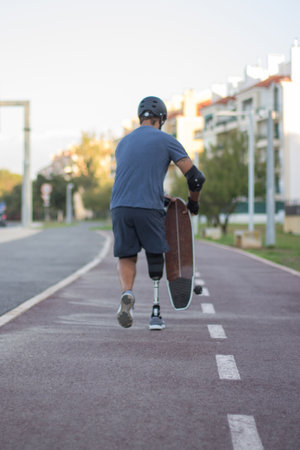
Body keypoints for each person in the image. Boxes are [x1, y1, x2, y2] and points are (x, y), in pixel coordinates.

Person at [110, 96, 205, 330]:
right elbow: (195, 177)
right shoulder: (166, 140)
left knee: (126, 255)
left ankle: (127, 295)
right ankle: (155, 313)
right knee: (155, 252)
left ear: (140, 118)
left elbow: (134, 178)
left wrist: (160, 196)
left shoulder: (122, 143)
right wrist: (193, 204)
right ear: (161, 119)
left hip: (119, 207)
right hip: (148, 208)